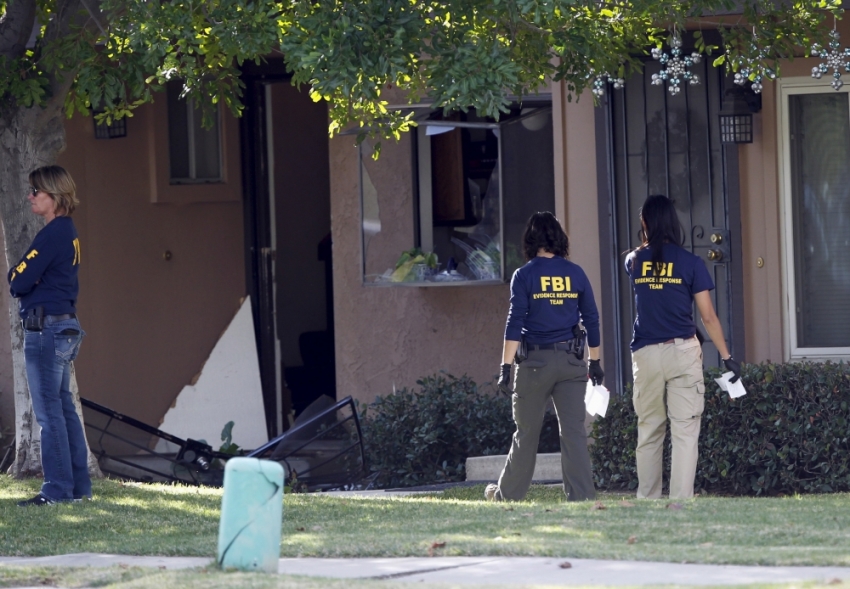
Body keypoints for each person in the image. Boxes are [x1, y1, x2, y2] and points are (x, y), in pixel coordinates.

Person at [625, 194, 741, 500]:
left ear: (645, 223)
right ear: (673, 222)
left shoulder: (633, 261)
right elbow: (708, 317)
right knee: (685, 432)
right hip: (683, 352)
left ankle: (648, 501)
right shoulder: (691, 263)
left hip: (646, 354)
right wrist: (727, 356)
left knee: (649, 429)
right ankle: (679, 504)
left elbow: (644, 276)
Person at [486, 211, 604, 502]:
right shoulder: (576, 273)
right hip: (571, 363)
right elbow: (591, 319)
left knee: (526, 432)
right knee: (574, 433)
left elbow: (514, 322)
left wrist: (505, 367)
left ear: (530, 240)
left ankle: (506, 496)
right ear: (559, 238)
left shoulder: (524, 275)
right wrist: (595, 361)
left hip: (535, 364)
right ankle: (582, 498)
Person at [8, 165, 90, 506]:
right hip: (64, 325)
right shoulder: (67, 231)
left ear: (54, 196)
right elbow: (23, 277)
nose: (30, 197)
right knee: (64, 408)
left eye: (35, 191)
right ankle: (78, 488)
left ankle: (56, 491)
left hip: (47, 329)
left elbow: (18, 280)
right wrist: (26, 278)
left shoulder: (53, 233)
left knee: (49, 412)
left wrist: (26, 279)